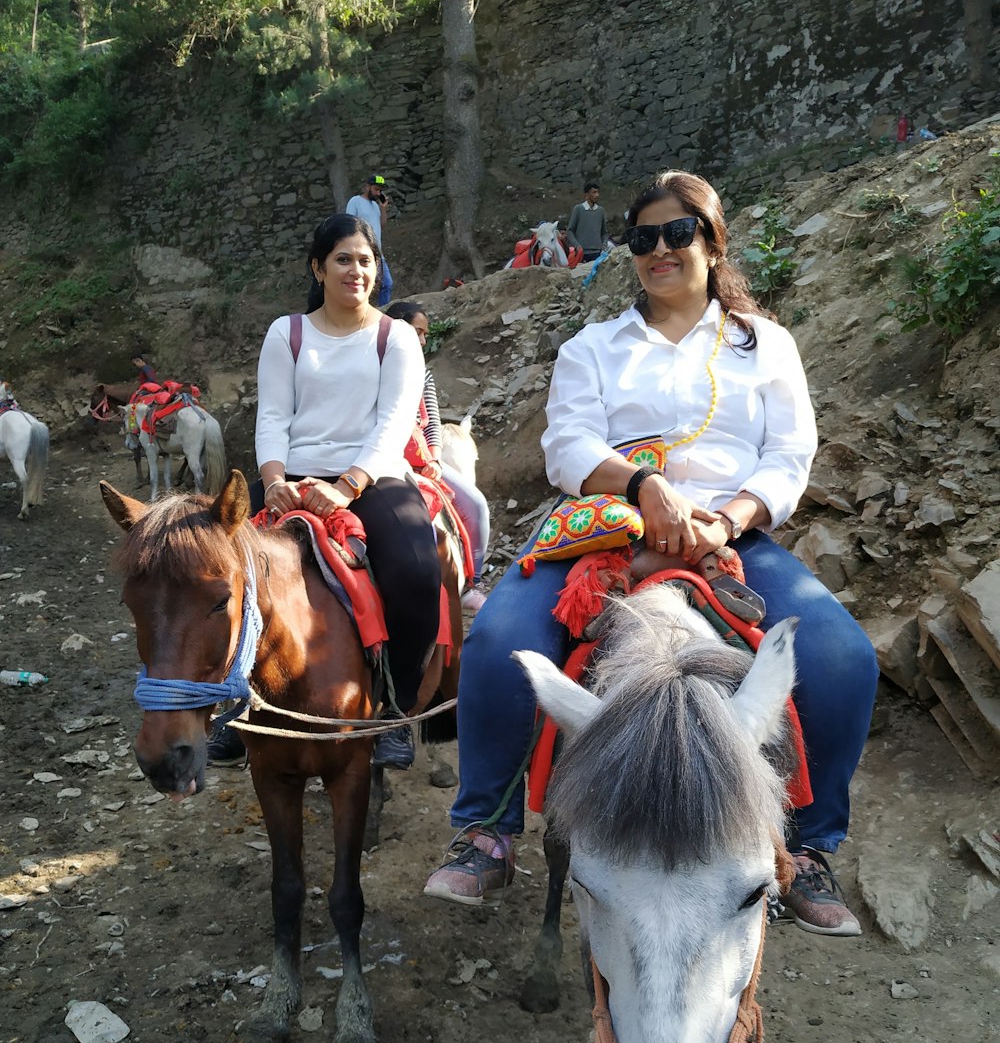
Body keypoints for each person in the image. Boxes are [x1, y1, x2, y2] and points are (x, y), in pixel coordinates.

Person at [423, 169, 878, 937]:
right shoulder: (592, 347)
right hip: (606, 525)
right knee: (501, 639)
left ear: (711, 239)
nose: (659, 250)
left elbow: (789, 454)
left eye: (677, 233)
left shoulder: (766, 346)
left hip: (731, 534)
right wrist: (644, 487)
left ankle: (809, 846)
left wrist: (726, 520)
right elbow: (567, 444)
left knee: (842, 658)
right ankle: (486, 828)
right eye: (642, 237)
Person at [208, 213, 440, 771]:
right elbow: (274, 417)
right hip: (290, 481)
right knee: (225, 578)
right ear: (318, 267)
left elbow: (393, 421)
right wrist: (274, 482)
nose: (356, 270)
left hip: (373, 477)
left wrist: (346, 486)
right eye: (343, 259)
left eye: (366, 260)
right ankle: (240, 704)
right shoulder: (286, 333)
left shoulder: (397, 336)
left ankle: (395, 710)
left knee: (415, 570)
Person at [384, 300, 491, 612]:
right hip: (386, 462)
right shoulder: (373, 369)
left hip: (422, 461)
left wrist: (433, 457)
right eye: (417, 331)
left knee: (475, 505)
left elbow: (431, 420)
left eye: (425, 334)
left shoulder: (423, 375)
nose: (422, 340)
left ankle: (473, 581)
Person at [345, 174, 393, 306]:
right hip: (362, 253)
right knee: (364, 285)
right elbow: (349, 224)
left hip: (377, 253)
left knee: (387, 284)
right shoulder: (355, 201)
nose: (378, 193)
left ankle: (382, 312)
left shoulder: (376, 206)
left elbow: (382, 225)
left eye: (380, 190)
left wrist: (383, 209)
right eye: (376, 189)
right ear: (367, 187)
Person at [566, 182, 609, 263]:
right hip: (582, 253)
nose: (597, 195)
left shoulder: (601, 211)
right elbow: (570, 231)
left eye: (597, 192)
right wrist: (577, 245)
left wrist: (604, 245)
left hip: (598, 253)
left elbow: (605, 232)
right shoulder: (578, 209)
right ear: (587, 195)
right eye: (594, 192)